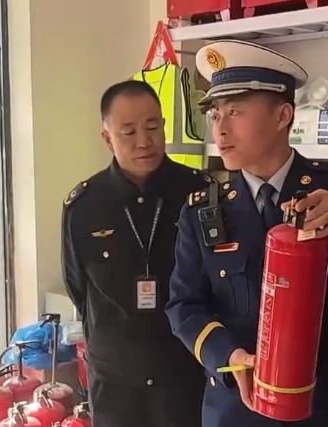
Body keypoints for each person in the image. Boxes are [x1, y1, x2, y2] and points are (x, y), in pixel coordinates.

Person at [165, 40, 328, 427]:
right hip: (241, 407)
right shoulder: (202, 209)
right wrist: (227, 356)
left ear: (283, 116)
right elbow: (184, 305)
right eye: (215, 113)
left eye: (235, 111)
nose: (220, 128)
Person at [61, 80, 210, 427]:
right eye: (128, 131)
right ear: (107, 138)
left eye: (153, 127)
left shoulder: (200, 193)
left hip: (184, 374)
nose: (144, 141)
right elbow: (78, 288)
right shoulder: (84, 205)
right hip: (116, 383)